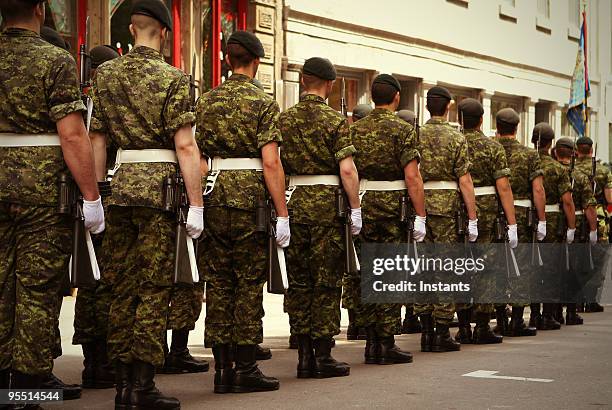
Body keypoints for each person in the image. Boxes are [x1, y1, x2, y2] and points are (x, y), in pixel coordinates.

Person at [89, 2, 204, 408]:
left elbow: (98, 140)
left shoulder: (106, 75)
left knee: (121, 288)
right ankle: (142, 384)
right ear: (165, 32)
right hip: (161, 192)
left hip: (119, 189)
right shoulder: (174, 78)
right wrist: (196, 204)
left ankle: (121, 382)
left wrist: (97, 196)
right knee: (154, 288)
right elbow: (186, 145)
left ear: (132, 29)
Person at [0, 0, 104, 403]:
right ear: (41, 9)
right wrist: (91, 196)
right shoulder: (54, 60)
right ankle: (28, 378)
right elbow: (73, 136)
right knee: (37, 285)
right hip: (40, 191)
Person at [195, 30, 289, 393]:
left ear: (228, 60)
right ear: (256, 61)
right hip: (250, 198)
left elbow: (198, 157)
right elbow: (270, 162)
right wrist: (281, 212)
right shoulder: (263, 102)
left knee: (218, 282)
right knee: (248, 283)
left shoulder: (207, 101)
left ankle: (221, 368)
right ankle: (246, 368)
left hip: (215, 193)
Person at [279, 57, 359, 379]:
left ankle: (302, 354)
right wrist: (355, 208)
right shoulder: (336, 121)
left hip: (294, 203)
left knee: (299, 282)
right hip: (327, 207)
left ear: (302, 81)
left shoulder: (284, 120)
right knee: (326, 281)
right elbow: (347, 169)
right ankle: (322, 355)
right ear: (329, 85)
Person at [351, 74, 425, 364]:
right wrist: (420, 214)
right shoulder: (403, 129)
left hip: (364, 204)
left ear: (372, 98)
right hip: (393, 209)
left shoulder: (356, 129)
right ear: (396, 98)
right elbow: (413, 177)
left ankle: (370, 340)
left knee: (367, 273)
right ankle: (385, 342)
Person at [414, 86, 478, 353]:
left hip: (420, 205)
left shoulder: (414, 133)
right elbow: (464, 179)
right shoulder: (456, 137)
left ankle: (426, 329)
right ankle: (441, 331)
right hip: (447, 209)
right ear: (448, 106)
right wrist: (472, 216)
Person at [71, 43, 120, 390]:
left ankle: (94, 360)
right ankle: (100, 360)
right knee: (103, 281)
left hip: (84, 193)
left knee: (91, 281)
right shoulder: (103, 104)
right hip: (102, 194)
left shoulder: (82, 102)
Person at [456, 98, 516, 344]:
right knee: (485, 269)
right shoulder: (493, 148)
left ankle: (462, 326)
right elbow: (503, 187)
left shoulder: (454, 142)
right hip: (486, 215)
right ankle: (481, 325)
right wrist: (512, 223)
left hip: (457, 211)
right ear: (481, 120)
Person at [494, 108, 546, 337]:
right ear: (516, 128)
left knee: (496, 266)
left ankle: (500, 318)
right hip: (522, 215)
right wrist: (542, 219)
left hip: (494, 213)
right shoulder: (529, 155)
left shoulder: (490, 149)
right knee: (521, 268)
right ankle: (516, 319)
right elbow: (538, 189)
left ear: (497, 126)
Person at [528, 123, 575, 330]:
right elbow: (567, 201)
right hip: (552, 219)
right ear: (551, 145)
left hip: (527, 217)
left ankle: (534, 314)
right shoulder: (557, 168)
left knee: (532, 267)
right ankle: (546, 315)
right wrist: (572, 227)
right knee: (549, 269)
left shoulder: (526, 159)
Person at [553, 138, 598, 324]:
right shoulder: (579, 176)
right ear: (573, 153)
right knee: (573, 270)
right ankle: (571, 312)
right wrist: (593, 230)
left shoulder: (549, 171)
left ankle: (553, 312)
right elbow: (589, 206)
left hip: (553, 222)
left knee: (555, 269)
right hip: (576, 225)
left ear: (556, 153)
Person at [574, 136, 612, 312]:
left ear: (577, 149)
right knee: (597, 260)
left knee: (576, 259)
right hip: (598, 217)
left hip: (574, 218)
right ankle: (590, 299)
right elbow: (610, 198)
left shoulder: (572, 168)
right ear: (591, 150)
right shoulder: (603, 171)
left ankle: (575, 299)